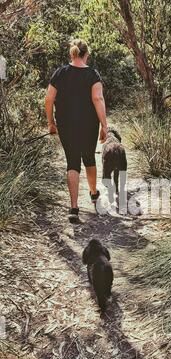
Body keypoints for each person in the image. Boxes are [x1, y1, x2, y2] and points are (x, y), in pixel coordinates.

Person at [45, 39, 108, 223]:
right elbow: (98, 99)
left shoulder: (60, 73)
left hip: (66, 124)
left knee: (72, 162)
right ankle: (94, 193)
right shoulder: (92, 74)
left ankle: (73, 208)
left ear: (71, 54)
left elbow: (49, 99)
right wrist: (105, 126)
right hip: (89, 124)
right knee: (89, 157)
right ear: (87, 54)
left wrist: (51, 122)